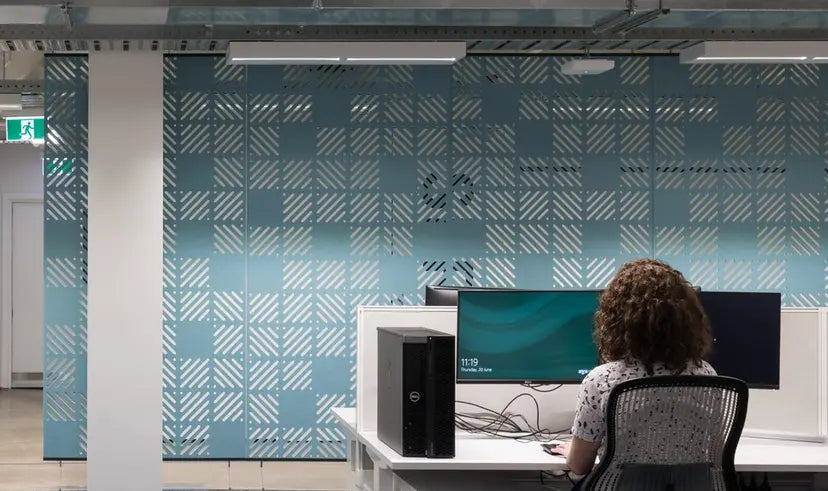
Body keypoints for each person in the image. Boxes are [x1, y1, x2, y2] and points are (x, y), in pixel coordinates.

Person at [549, 258, 715, 485]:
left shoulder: (602, 380)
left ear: (616, 319)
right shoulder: (706, 375)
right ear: (685, 317)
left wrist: (572, 450)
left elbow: (579, 466)